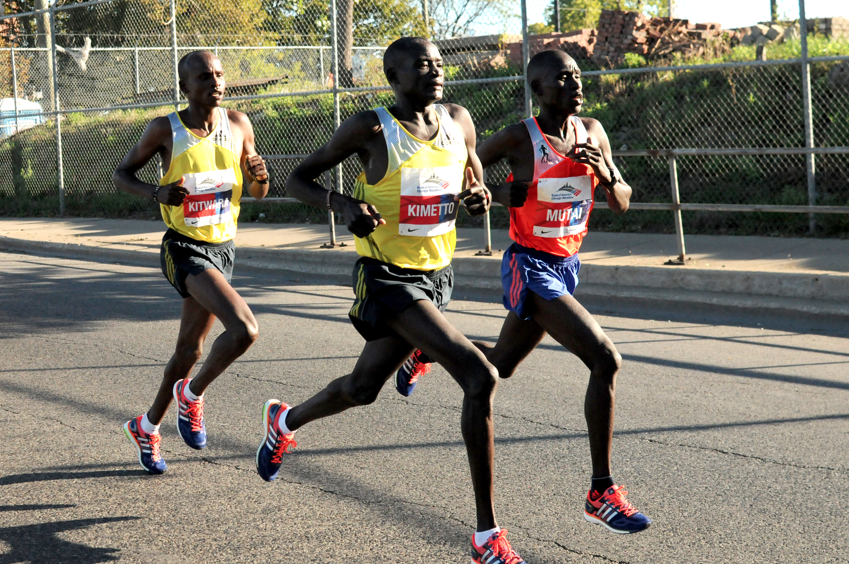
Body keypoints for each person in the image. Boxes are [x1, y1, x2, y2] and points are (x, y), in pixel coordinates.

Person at [255, 37, 529, 563]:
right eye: (421, 65)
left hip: (436, 274)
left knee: (362, 390)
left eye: (439, 63)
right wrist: (343, 204)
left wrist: (481, 197)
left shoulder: (459, 120)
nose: (435, 71)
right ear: (393, 77)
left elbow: (476, 181)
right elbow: (297, 179)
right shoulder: (371, 127)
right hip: (386, 276)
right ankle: (486, 536)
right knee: (479, 375)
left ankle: (284, 422)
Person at [395, 49, 652, 534]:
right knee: (605, 358)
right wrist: (497, 193)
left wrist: (605, 172)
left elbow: (622, 201)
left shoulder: (593, 131)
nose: (575, 83)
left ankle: (424, 349)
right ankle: (601, 491)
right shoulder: (520, 137)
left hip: (566, 265)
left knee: (502, 364)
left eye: (578, 75)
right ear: (539, 89)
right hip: (529, 265)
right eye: (563, 77)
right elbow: (463, 168)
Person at [113, 51, 269, 475]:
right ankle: (193, 393)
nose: (215, 82)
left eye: (219, 74)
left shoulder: (239, 124)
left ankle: (147, 426)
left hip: (223, 247)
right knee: (245, 329)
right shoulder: (165, 128)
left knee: (189, 350)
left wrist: (260, 175)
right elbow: (121, 175)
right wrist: (156, 193)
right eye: (204, 76)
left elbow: (257, 192)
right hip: (183, 246)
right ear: (185, 86)